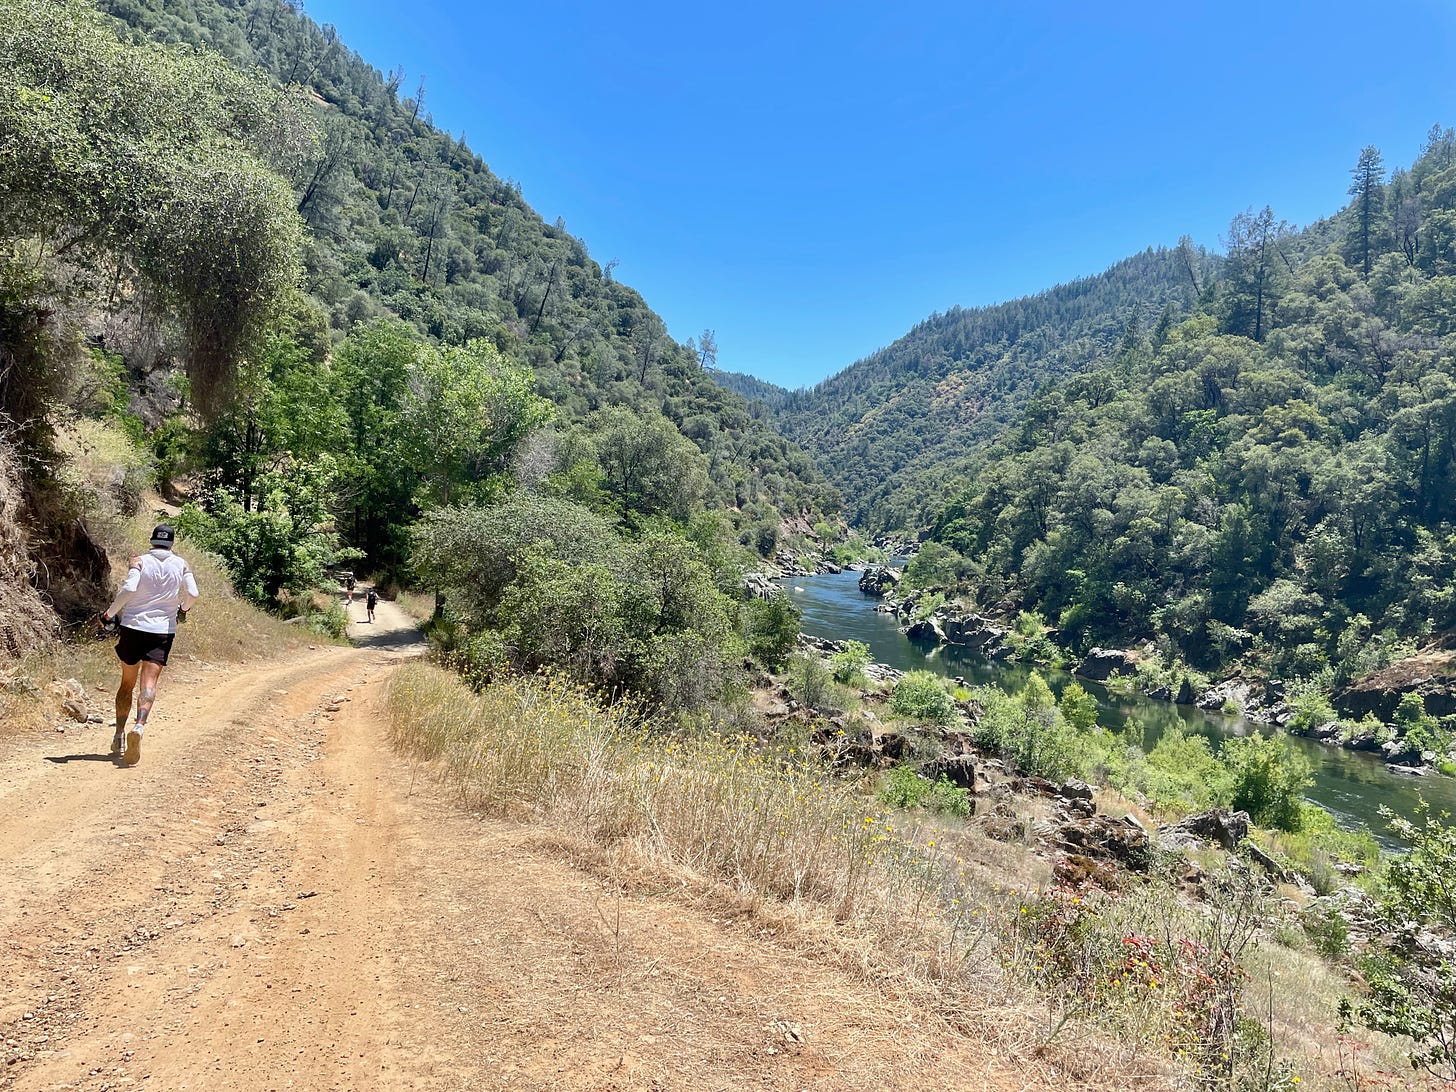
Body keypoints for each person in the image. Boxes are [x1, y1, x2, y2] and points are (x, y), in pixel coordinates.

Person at [98, 524, 199, 766]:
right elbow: (193, 592)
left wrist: (109, 615)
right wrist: (182, 610)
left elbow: (129, 588)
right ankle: (140, 727)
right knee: (149, 684)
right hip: (162, 631)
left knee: (127, 683)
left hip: (133, 627)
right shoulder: (181, 564)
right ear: (172, 544)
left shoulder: (139, 561)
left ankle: (119, 735)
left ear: (152, 540)